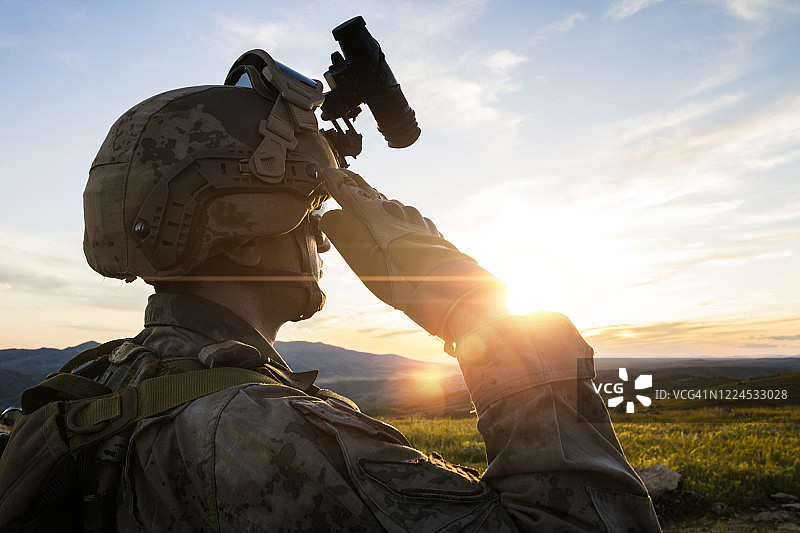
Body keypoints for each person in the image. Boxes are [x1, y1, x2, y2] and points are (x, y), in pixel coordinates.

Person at [80, 72, 662, 531]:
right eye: (309, 205)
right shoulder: (270, 432)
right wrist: (473, 305)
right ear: (244, 234)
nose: (322, 234)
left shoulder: (99, 384)